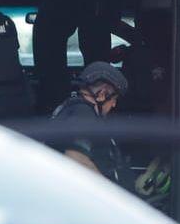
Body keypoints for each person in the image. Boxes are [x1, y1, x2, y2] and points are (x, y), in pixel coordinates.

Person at [51, 62, 168, 201]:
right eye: (114, 98)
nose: (114, 104)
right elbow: (77, 159)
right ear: (102, 94)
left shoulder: (78, 111)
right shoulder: (82, 114)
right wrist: (112, 198)